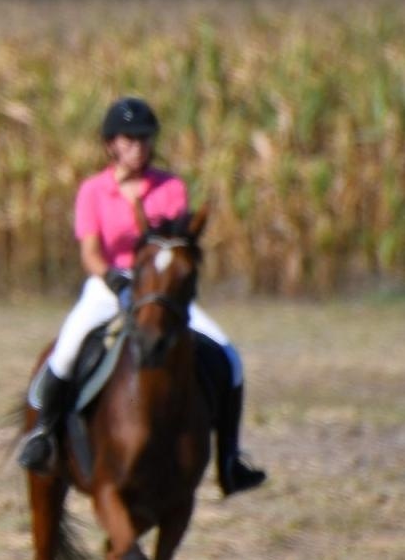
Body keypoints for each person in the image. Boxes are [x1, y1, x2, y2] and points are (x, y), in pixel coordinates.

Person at [17, 96, 267, 496]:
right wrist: (114, 278)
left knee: (229, 356)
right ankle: (44, 436)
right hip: (107, 287)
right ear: (111, 144)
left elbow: (176, 245)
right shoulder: (93, 191)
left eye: (145, 138)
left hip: (161, 293)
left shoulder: (170, 188)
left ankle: (230, 459)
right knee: (64, 352)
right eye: (129, 138)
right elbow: (90, 252)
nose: (138, 145)